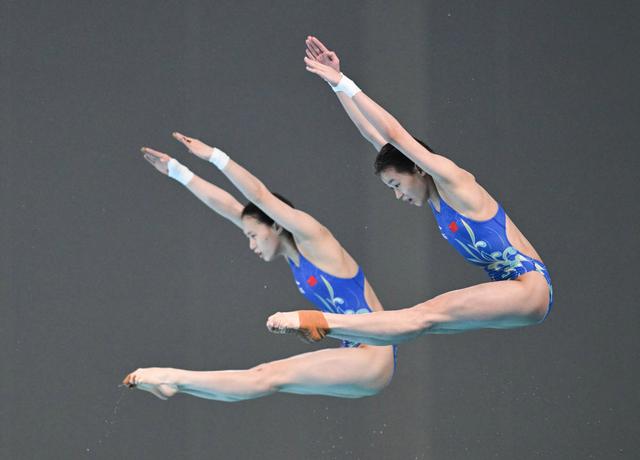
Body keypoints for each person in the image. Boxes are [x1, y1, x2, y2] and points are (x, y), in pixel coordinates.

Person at [266, 36, 553, 345]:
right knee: (419, 321)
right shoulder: (430, 189)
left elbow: (395, 134)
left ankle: (324, 322)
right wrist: (336, 87)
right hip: (515, 290)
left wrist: (345, 81)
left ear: (417, 168)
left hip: (528, 287)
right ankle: (334, 328)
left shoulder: (454, 181)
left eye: (396, 184)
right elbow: (373, 134)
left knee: (423, 316)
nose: (398, 195)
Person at [123, 132, 394, 401]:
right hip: (356, 355)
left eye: (253, 235)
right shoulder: (293, 257)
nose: (252, 245)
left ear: (276, 224)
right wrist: (177, 171)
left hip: (371, 355)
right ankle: (179, 384)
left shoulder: (315, 240)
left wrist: (216, 157)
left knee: (267, 376)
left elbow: (261, 196)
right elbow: (229, 206)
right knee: (266, 379)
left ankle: (174, 379)